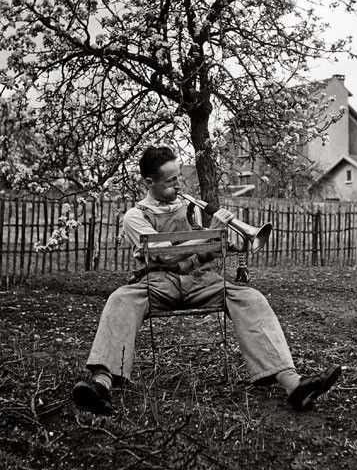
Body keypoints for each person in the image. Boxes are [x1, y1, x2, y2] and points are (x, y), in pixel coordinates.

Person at [72, 145, 341, 414]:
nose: (177, 186)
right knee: (120, 299)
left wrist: (228, 244)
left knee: (250, 297)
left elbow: (203, 255)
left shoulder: (191, 208)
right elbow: (165, 254)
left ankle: (293, 384)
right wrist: (211, 234)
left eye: (178, 178)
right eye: (169, 182)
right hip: (158, 282)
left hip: (200, 280)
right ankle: (101, 385)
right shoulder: (135, 217)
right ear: (149, 182)